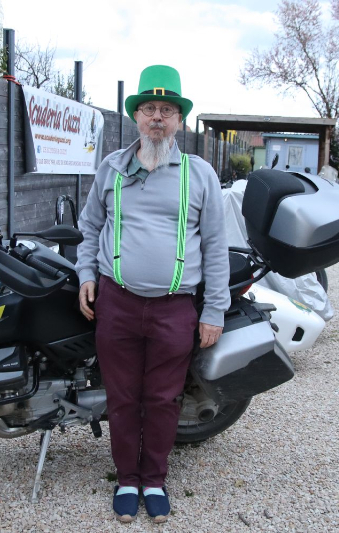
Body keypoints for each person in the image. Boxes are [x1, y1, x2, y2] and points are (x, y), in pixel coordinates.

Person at [75, 65, 230, 522]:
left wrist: (214, 309)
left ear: (179, 120)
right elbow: (89, 227)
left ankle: (155, 480)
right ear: (136, 117)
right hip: (117, 303)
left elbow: (216, 246)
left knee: (163, 399)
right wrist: (85, 273)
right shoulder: (111, 168)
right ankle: (127, 479)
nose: (157, 117)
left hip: (174, 309)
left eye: (166, 110)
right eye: (149, 109)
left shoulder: (199, 174)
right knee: (122, 397)